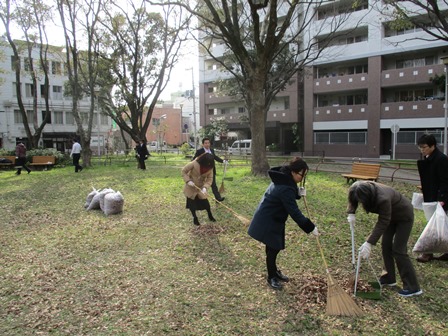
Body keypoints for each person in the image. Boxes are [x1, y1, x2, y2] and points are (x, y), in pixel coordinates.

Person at [248, 157, 318, 290]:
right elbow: (295, 213)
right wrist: (310, 227)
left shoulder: (283, 178)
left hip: (273, 217)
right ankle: (271, 277)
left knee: (273, 247)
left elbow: (289, 192)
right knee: (273, 248)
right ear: (293, 172)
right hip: (268, 219)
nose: (302, 179)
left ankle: (274, 271)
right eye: (301, 175)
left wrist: (298, 192)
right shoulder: (284, 187)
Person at [347, 181, 422, 297]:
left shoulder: (383, 199)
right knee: (386, 245)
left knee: (399, 250)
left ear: (369, 196)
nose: (361, 203)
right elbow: (353, 200)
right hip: (390, 217)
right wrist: (351, 213)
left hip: (404, 217)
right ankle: (389, 278)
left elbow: (383, 221)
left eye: (363, 201)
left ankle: (413, 287)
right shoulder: (355, 187)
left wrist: (369, 243)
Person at [416, 133, 448, 262]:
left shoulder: (441, 159)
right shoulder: (429, 158)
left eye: (424, 147)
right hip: (431, 195)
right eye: (420, 147)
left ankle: (428, 252)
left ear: (432, 146)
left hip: (439, 197)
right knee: (438, 224)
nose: (422, 150)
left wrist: (442, 198)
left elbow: (445, 180)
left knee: (433, 225)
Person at [182, 153, 217, 225]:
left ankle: (210, 215)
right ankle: (195, 218)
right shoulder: (194, 163)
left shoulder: (210, 167)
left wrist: (205, 187)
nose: (208, 165)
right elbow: (184, 171)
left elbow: (210, 179)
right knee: (192, 204)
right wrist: (188, 181)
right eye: (206, 163)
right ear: (203, 161)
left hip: (200, 188)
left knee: (206, 204)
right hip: (191, 187)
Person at [192, 137, 226, 202]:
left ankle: (218, 198)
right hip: (202, 171)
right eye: (205, 143)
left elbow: (215, 157)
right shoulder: (200, 151)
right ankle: (196, 199)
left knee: (214, 185)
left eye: (208, 143)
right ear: (203, 144)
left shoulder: (212, 150)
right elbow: (194, 159)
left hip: (211, 171)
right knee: (200, 185)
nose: (207, 144)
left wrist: (223, 161)